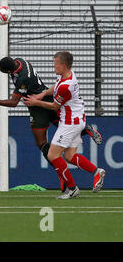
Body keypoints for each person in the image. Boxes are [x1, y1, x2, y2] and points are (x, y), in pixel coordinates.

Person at [0, 56, 102, 191]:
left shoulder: (22, 79)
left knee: (42, 143)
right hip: (45, 96)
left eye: (56, 64)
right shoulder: (21, 61)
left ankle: (65, 179)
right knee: (68, 152)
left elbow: (13, 103)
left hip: (38, 106)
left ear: (9, 71)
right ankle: (86, 131)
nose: (54, 66)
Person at [23, 51, 105, 199]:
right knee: (69, 156)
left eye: (55, 64)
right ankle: (96, 172)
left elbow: (54, 106)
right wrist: (42, 94)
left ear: (64, 65)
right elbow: (56, 86)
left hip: (69, 123)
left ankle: (72, 189)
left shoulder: (66, 86)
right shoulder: (67, 75)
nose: (53, 66)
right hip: (77, 119)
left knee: (52, 155)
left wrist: (35, 102)